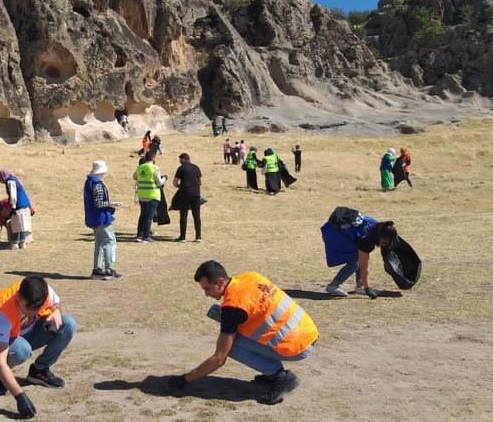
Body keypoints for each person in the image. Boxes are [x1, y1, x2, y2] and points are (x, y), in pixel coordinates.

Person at [165, 260, 318, 405]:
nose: (206, 294)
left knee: (231, 346)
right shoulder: (250, 276)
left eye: (207, 288)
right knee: (219, 314)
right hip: (308, 331)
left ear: (220, 282)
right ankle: (273, 372)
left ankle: (280, 376)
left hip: (297, 347)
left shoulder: (233, 306)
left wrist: (185, 379)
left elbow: (219, 358)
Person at [0, 276, 77, 418]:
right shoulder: (0, 312)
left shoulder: (44, 291)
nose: (32, 313)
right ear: (18, 297)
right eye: (27, 308)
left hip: (25, 332)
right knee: (20, 351)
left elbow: (55, 304)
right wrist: (19, 396)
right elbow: (0, 360)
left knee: (68, 324)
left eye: (36, 308)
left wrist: (56, 312)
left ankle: (39, 371)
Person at [321, 207, 398, 298]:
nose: (385, 244)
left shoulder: (376, 224)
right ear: (380, 236)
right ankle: (333, 286)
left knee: (359, 257)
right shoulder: (366, 240)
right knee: (356, 262)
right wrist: (367, 288)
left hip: (336, 230)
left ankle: (359, 286)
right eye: (384, 241)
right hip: (333, 234)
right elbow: (363, 267)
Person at [83, 160, 122, 280]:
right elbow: (99, 203)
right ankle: (109, 269)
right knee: (110, 241)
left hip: (93, 217)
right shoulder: (97, 184)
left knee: (99, 242)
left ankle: (97, 269)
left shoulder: (89, 182)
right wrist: (112, 204)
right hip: (101, 217)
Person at [133, 151, 166, 242]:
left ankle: (139, 235)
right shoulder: (155, 168)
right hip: (152, 194)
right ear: (153, 158)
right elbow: (159, 182)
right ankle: (146, 236)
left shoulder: (140, 167)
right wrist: (164, 179)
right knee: (149, 216)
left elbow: (134, 177)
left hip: (142, 194)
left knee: (143, 215)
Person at [0, 170, 32, 249]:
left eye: (0, 180)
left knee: (15, 225)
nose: (0, 182)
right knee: (22, 225)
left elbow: (13, 195)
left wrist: (13, 207)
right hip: (24, 204)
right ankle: (22, 243)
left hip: (18, 205)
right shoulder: (15, 179)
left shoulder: (10, 182)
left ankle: (14, 244)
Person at [172, 153, 202, 242]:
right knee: (196, 215)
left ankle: (183, 237)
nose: (179, 161)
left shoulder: (181, 168)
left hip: (185, 193)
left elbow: (175, 182)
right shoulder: (196, 167)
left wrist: (180, 186)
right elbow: (200, 182)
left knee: (183, 215)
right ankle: (198, 236)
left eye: (180, 159)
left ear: (184, 159)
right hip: (196, 193)